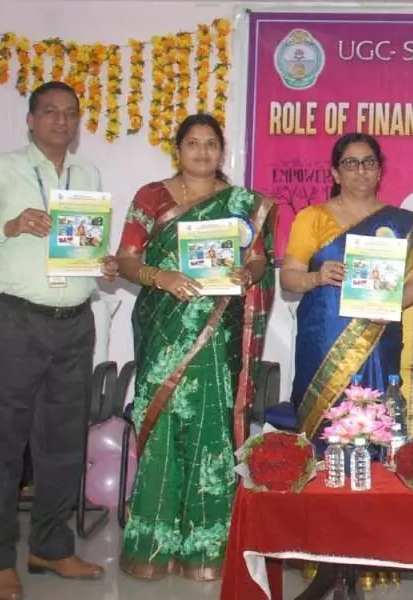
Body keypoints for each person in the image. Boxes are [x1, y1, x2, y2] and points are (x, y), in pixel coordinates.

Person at [115, 113, 275, 581]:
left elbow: (261, 257)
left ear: (220, 151)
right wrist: (159, 276)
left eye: (210, 144)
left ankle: (207, 547)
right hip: (163, 328)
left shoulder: (242, 203)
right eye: (192, 143)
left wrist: (249, 273)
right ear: (177, 148)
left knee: (209, 430)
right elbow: (126, 261)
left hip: (215, 330)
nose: (202, 152)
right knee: (161, 426)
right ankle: (151, 544)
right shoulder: (151, 196)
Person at [0, 81, 117, 600]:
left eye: (70, 113)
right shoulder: (1, 168)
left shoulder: (87, 174)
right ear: (30, 119)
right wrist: (11, 223)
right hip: (16, 318)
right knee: (3, 442)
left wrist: (104, 263)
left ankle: (51, 546)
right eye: (50, 112)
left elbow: (87, 243)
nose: (61, 121)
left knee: (63, 441)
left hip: (74, 321)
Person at [283, 132, 413, 440]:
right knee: (324, 428)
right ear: (335, 172)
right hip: (323, 344)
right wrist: (316, 277)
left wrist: (391, 305)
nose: (361, 170)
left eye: (368, 162)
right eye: (351, 163)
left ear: (380, 170)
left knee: (379, 423)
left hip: (379, 337)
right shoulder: (313, 218)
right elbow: (289, 276)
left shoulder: (400, 224)